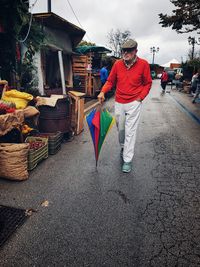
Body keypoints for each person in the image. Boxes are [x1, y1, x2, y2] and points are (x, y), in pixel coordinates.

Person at [97, 39, 152, 173]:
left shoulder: (143, 64)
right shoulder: (117, 64)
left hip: (134, 102)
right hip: (119, 101)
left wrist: (140, 98)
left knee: (130, 131)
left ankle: (127, 160)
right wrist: (103, 91)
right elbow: (110, 81)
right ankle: (123, 146)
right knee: (120, 128)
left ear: (135, 51)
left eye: (129, 51)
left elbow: (147, 83)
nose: (126, 53)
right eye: (124, 51)